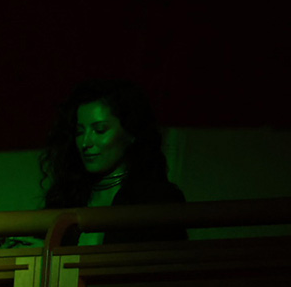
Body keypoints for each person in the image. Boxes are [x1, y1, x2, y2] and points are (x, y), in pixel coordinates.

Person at [37, 79, 186, 246]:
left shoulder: (159, 201)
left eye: (100, 130)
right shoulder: (66, 197)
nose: (86, 143)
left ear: (131, 132)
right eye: (79, 132)